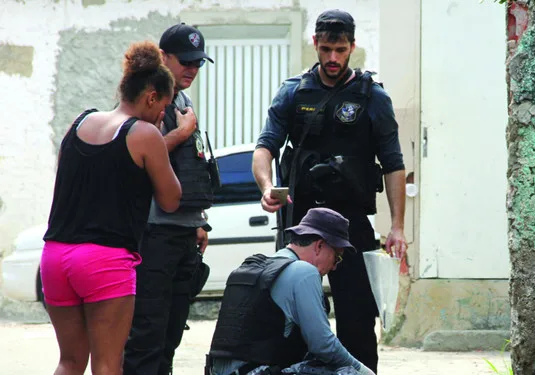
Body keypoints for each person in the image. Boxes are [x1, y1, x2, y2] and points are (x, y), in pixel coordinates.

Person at [252, 9, 407, 373]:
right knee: (289, 319)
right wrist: (266, 186)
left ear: (352, 46)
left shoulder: (372, 97)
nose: (332, 58)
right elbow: (265, 148)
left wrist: (398, 225)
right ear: (315, 45)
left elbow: (394, 163)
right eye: (325, 49)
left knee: (357, 322)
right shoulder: (293, 92)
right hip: (302, 222)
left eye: (340, 49)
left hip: (350, 224)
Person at [40, 40, 182, 375]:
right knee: (107, 363)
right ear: (151, 97)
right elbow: (171, 199)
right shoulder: (145, 134)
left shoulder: (79, 122)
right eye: (164, 104)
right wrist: (164, 138)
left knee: (70, 361)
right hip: (103, 260)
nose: (163, 112)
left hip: (56, 256)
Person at [124, 22, 216, 375]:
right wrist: (179, 133)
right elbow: (133, 157)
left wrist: (199, 220)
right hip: (154, 233)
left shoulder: (182, 100)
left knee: (171, 335)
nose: (192, 69)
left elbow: (190, 166)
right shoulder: (144, 99)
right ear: (164, 57)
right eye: (185, 62)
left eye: (198, 63)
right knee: (147, 335)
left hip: (182, 231)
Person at [206, 208, 376, 375]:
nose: (334, 267)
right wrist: (364, 371)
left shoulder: (257, 268)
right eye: (337, 257)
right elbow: (324, 345)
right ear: (319, 245)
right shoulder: (304, 272)